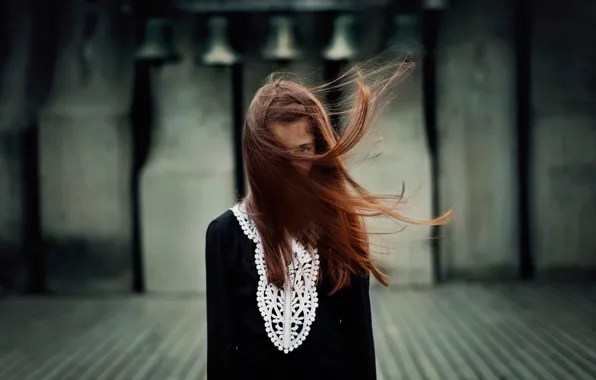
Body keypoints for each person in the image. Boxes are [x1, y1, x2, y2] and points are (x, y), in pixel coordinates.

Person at [205, 68, 450, 380]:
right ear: (258, 155)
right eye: (280, 155)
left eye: (304, 150)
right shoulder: (224, 233)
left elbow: (360, 340)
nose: (295, 167)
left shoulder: (342, 225)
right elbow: (221, 347)